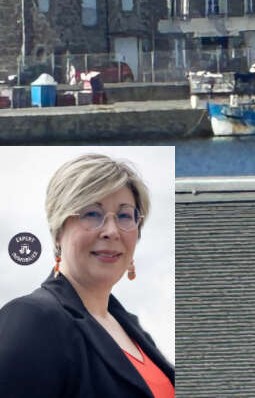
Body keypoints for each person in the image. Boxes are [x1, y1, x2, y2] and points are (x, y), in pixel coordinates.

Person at [0, 154, 174, 397]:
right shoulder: (32, 319)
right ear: (59, 231)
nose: (112, 231)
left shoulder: (131, 327)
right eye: (92, 214)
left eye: (125, 216)